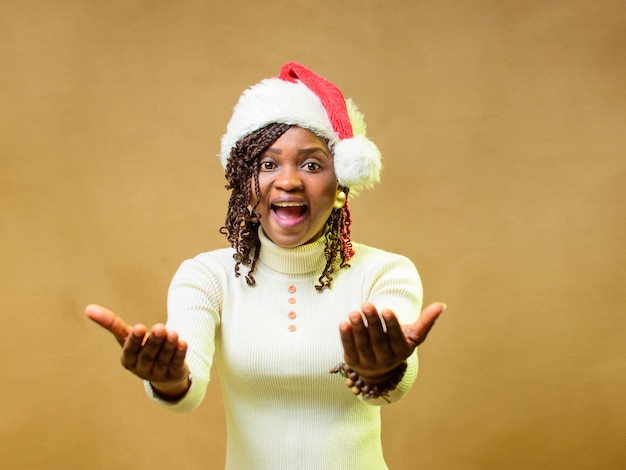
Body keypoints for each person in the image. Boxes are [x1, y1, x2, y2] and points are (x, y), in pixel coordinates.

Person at [86, 61, 446, 469]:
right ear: (244, 182)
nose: (289, 181)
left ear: (342, 182)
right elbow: (189, 384)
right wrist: (168, 378)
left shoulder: (385, 272)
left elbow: (394, 382)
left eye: (312, 165)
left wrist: (382, 371)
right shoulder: (208, 277)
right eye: (268, 163)